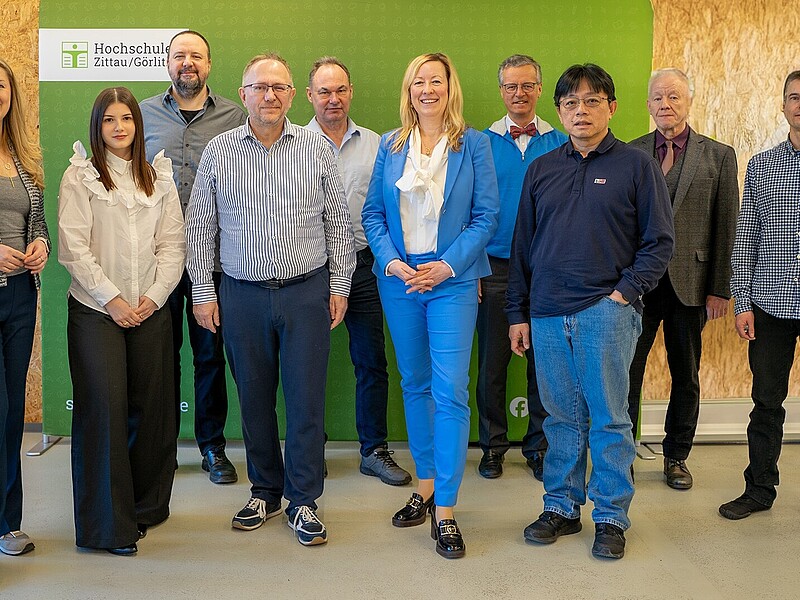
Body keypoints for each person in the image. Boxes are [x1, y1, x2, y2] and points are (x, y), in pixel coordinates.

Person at [185, 53, 355, 547]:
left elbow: (336, 221)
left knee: (306, 401)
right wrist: (203, 292)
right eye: (260, 87)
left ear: (292, 95)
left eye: (279, 87)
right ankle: (265, 489)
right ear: (243, 95)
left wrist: (340, 285)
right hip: (241, 296)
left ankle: (303, 501)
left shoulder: (316, 147)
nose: (270, 96)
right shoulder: (219, 151)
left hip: (306, 291)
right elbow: (201, 228)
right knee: (254, 400)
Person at [507, 64, 673, 559]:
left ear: (611, 107)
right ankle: (560, 506)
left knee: (608, 419)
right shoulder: (542, 168)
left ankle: (610, 516)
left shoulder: (636, 165)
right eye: (571, 103)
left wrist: (624, 293)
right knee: (559, 418)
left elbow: (659, 241)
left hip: (608, 311)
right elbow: (522, 247)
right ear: (558, 111)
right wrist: (519, 311)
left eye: (592, 101)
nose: (581, 111)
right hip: (548, 313)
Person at [362, 52, 499, 559]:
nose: (426, 89)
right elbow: (373, 214)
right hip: (400, 280)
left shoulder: (475, 145)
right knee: (414, 384)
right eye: (418, 81)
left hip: (451, 280)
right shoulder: (389, 145)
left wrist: (447, 266)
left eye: (435, 80)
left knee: (450, 391)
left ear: (449, 88)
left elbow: (486, 217)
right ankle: (424, 486)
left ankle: (446, 509)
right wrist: (393, 264)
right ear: (409, 90)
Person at [58, 87, 185, 556]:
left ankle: (146, 508)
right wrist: (112, 299)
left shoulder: (159, 178)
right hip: (96, 311)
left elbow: (174, 247)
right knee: (104, 412)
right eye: (109, 119)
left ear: (138, 124)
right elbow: (74, 247)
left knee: (153, 409)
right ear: (98, 126)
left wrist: (152, 299)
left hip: (150, 307)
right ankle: (108, 528)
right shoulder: (81, 176)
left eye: (126, 119)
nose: (118, 127)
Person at [140, 30, 246, 484]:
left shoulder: (235, 116)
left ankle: (213, 448)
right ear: (167, 62)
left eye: (196, 56)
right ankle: (160, 451)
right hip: (153, 258)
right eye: (179, 55)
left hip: (215, 258)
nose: (188, 63)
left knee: (209, 356)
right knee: (159, 358)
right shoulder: (141, 115)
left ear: (209, 64)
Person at [627, 68, 739, 489]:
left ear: (689, 101)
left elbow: (727, 225)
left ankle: (676, 456)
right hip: (637, 285)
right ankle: (622, 453)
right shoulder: (631, 152)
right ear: (648, 105)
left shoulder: (718, 155)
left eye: (673, 97)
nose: (665, 105)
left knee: (685, 373)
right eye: (657, 98)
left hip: (691, 285)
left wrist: (719, 288)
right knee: (627, 372)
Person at [305, 56, 411, 486]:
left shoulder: (379, 145)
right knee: (305, 364)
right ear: (309, 95)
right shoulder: (292, 144)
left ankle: (374, 450)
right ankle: (309, 449)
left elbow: (390, 209)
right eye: (324, 91)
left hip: (367, 268)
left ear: (351, 92)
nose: (333, 99)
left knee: (371, 361)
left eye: (341, 90)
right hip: (310, 269)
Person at [477, 54, 567, 481]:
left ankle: (539, 446)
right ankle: (492, 447)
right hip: (492, 267)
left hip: (546, 268)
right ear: (501, 91)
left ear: (539, 89)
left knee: (543, 364)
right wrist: (472, 268)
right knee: (492, 365)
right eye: (511, 86)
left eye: (528, 85)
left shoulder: (561, 141)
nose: (519, 93)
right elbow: (464, 209)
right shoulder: (480, 142)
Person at [720, 70, 800, 520]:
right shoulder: (764, 166)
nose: (799, 104)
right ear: (783, 105)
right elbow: (746, 237)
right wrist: (743, 300)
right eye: (793, 97)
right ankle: (759, 490)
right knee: (767, 402)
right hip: (771, 305)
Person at [0, 59, 50, 557]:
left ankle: (7, 522)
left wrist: (40, 245)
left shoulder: (23, 156)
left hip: (18, 297)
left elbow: (38, 222)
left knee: (12, 412)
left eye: (1, 85)